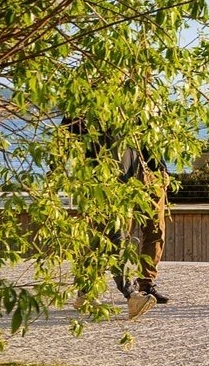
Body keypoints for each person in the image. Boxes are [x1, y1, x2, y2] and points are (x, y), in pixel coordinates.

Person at [63, 116, 170, 319]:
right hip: (103, 183)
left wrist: (160, 167)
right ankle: (130, 294)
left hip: (130, 180)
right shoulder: (84, 106)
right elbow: (64, 139)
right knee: (114, 238)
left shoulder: (129, 105)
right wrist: (58, 171)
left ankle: (86, 292)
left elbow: (144, 139)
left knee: (106, 240)